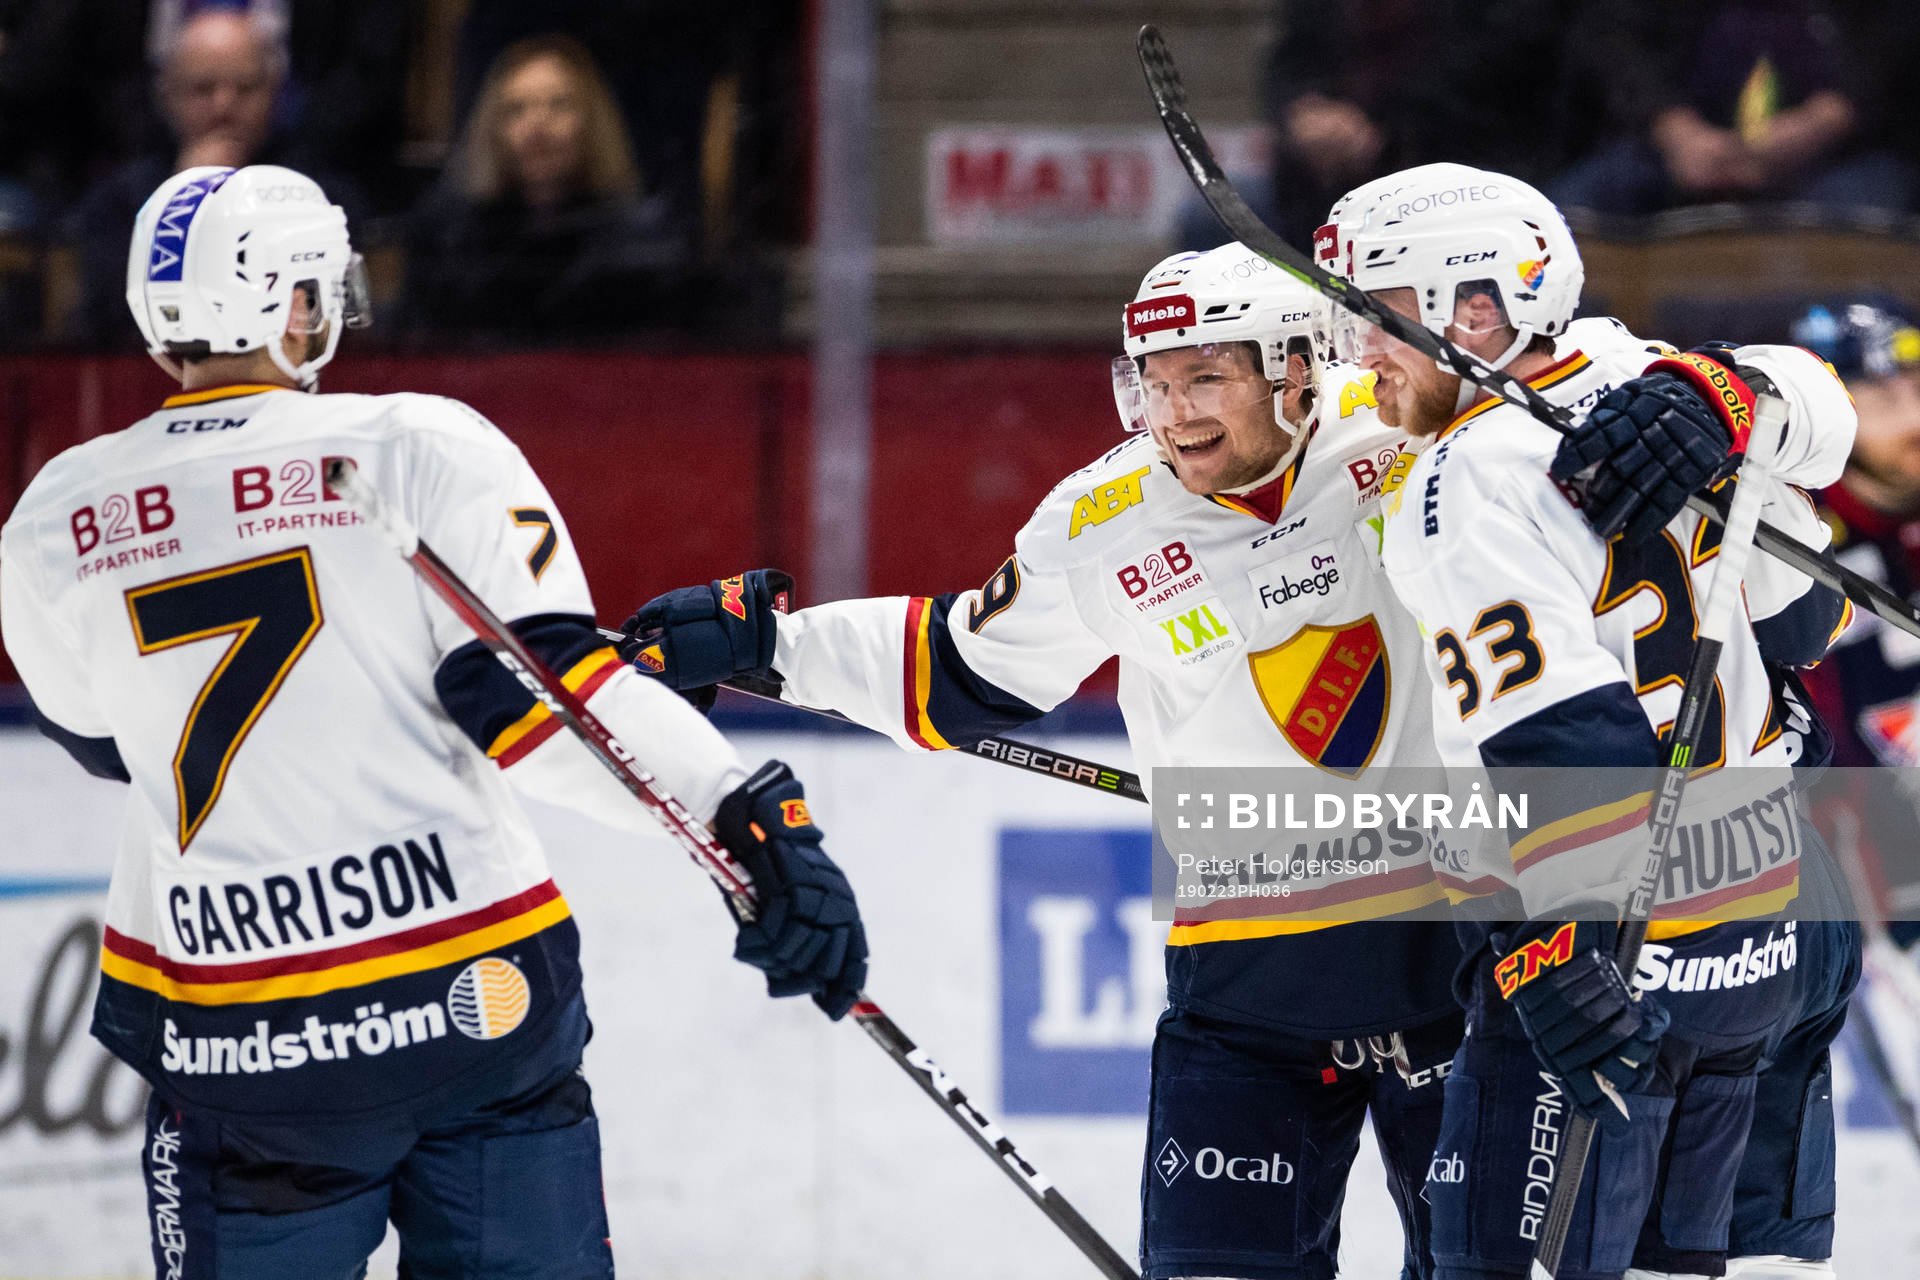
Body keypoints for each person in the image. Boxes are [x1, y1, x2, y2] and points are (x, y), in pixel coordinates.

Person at [619, 217, 1730, 1279]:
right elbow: (961, 668)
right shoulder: (1102, 521)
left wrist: (1716, 411)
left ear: (1297, 366)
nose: (1171, 412)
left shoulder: (1408, 429)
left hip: (1453, 964)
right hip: (1243, 985)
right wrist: (770, 642)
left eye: (1205, 375)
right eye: (1151, 379)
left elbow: (1587, 427)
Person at [0, 163, 867, 1277]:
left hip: (240, 1039)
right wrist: (750, 821)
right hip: (472, 1005)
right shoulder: (413, 445)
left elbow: (101, 742)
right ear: (295, 304)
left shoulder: (54, 518)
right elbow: (550, 707)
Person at [1337, 164, 1860, 1280]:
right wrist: (1733, 395)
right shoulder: (1652, 375)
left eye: (1375, 317)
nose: (1356, 352)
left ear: (1475, 310)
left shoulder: (1463, 477)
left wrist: (1550, 946)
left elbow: (1563, 740)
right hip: (1766, 918)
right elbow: (1813, 609)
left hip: (1624, 945)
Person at [61, 8, 362, 345]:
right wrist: (182, 208)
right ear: (167, 96)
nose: (224, 105)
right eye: (203, 89)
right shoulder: (119, 205)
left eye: (245, 88)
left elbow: (343, 326)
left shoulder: (321, 200)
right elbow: (110, 330)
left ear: (275, 93)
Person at [404, 35, 701, 341]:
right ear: (494, 129)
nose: (538, 125)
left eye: (558, 105)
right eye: (516, 109)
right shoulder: (454, 244)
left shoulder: (643, 246)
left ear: (591, 122)